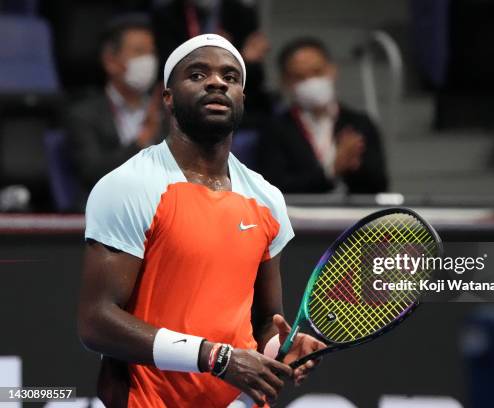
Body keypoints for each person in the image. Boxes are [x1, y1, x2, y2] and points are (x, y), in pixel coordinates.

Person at [77, 34, 324, 407]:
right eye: (197, 74)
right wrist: (216, 357)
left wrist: (282, 349)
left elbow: (263, 323)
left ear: (242, 96)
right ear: (168, 97)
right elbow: (96, 322)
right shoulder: (129, 186)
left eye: (230, 77)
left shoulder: (267, 199)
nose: (216, 82)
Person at [259, 37, 389, 194]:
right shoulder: (276, 129)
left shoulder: (359, 124)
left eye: (317, 72)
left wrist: (355, 166)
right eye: (300, 77)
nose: (311, 82)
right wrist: (331, 171)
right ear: (285, 81)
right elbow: (274, 188)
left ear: (332, 70)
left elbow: (380, 185)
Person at [65, 14, 166, 196]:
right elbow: (91, 172)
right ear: (110, 61)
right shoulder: (83, 115)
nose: (148, 61)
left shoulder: (166, 112)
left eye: (151, 52)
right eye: (139, 52)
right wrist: (141, 142)